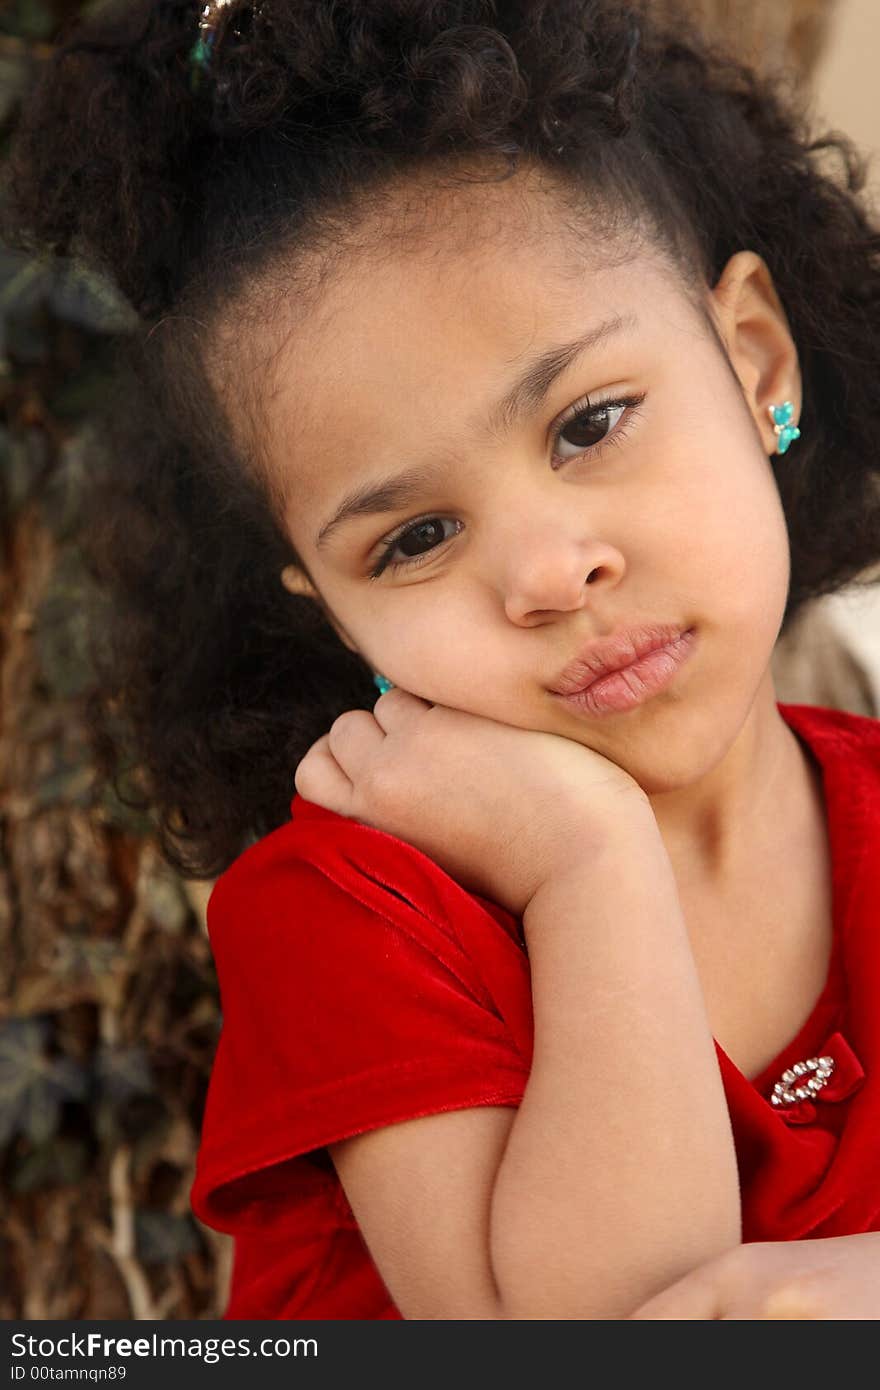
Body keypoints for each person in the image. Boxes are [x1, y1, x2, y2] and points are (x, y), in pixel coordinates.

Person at [6, 0, 880, 1320]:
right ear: (329, 609)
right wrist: (590, 863)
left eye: (589, 422)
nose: (542, 575)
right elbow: (615, 1327)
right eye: (414, 535)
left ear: (755, 361)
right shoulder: (350, 911)